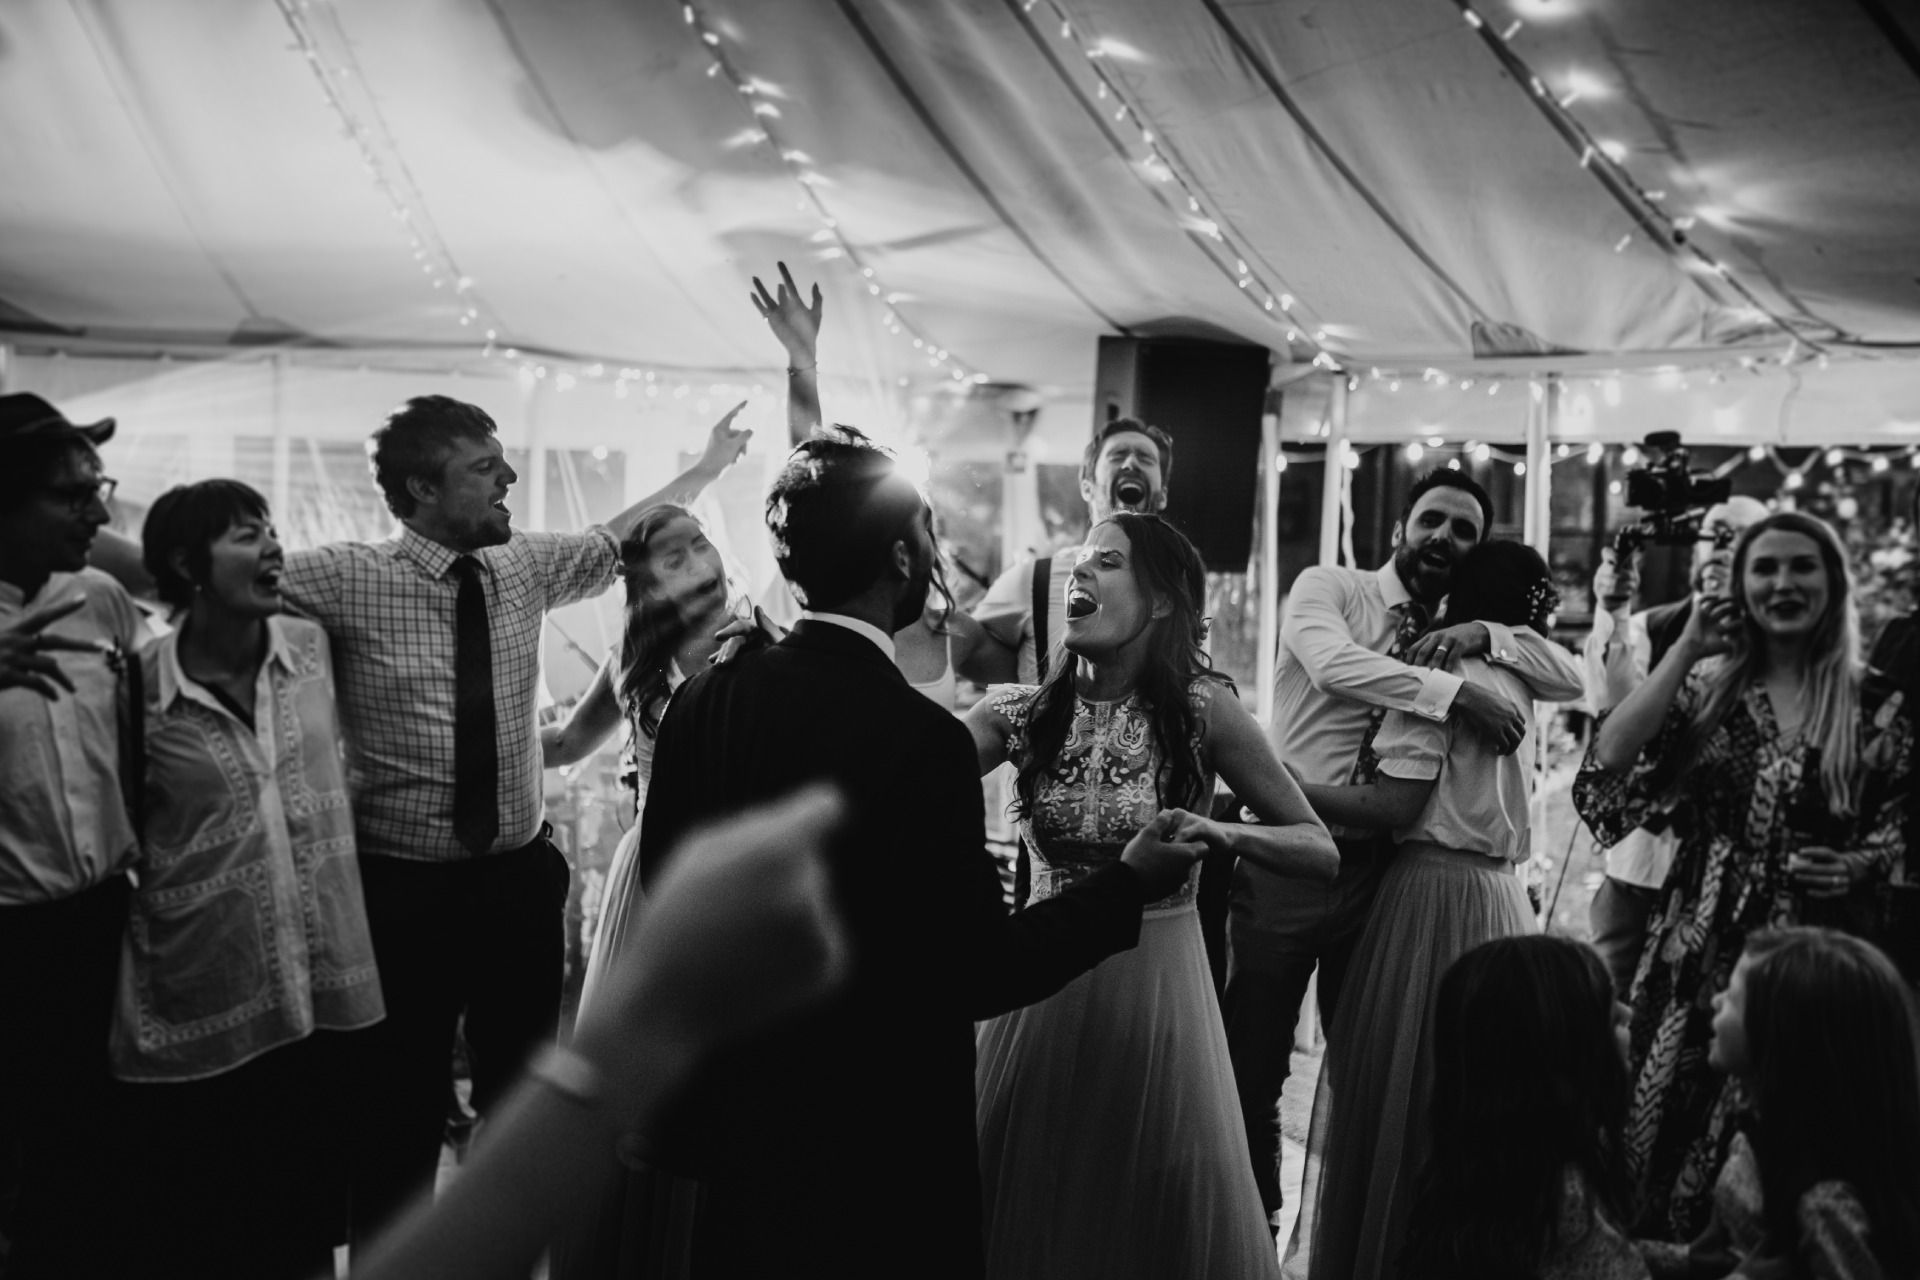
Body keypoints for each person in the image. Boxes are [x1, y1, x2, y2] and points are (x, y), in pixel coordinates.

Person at [628, 428, 1208, 1278]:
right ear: (902, 559)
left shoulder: (705, 700)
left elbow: (664, 904)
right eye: (929, 538)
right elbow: (980, 971)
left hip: (742, 1134)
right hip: (879, 1149)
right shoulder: (916, 740)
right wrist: (1126, 885)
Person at [277, 392, 751, 1247]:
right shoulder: (349, 576)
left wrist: (709, 468)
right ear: (423, 488)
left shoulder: (525, 565)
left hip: (517, 882)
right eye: (485, 469)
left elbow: (621, 538)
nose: (510, 477)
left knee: (525, 1102)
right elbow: (216, 571)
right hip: (400, 891)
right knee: (398, 1107)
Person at [966, 511, 1337, 1279]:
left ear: (1162, 601)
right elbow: (902, 764)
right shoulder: (1020, 713)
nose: (1080, 574)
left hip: (1158, 993)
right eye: (1079, 563)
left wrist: (1224, 834)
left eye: (1106, 562)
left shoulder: (1202, 710)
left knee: (1143, 1215)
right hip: (1040, 992)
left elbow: (1317, 848)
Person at [1226, 470, 1586, 1231]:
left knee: (1373, 1071)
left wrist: (1484, 635)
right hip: (1290, 857)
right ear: (1399, 527)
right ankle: (1247, 1229)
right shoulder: (1332, 587)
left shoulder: (1464, 639)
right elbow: (1333, 666)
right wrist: (1453, 691)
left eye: (1463, 531)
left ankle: (1364, 1229)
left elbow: (1572, 677)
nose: (1444, 539)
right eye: (1433, 520)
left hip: (1382, 876)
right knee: (1253, 1067)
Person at [353, 786, 854, 1280]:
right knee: (395, 1125)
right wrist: (649, 1014)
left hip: (520, 863)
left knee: (504, 1087)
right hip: (395, 873)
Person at [1574, 512, 1913, 1240]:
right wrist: (1688, 647)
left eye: (1801, 567)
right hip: (1692, 953)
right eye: (1765, 568)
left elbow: (1901, 833)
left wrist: (1857, 862)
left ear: (1833, 584)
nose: (1782, 583)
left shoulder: (1880, 704)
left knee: (1796, 1161)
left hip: (1812, 966)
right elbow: (1606, 776)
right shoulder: (1705, 690)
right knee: (1662, 1144)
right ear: (1741, 587)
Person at [114, 480, 383, 1279]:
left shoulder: (309, 649)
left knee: (301, 1233)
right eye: (243, 535)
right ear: (185, 565)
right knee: (203, 1228)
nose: (272, 547)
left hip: (318, 991)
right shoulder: (139, 686)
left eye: (270, 530)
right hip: (204, 991)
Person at [1286, 540, 1561, 1280]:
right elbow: (1578, 673)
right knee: (1487, 1103)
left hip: (1433, 896)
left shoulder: (1438, 674)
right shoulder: (1521, 668)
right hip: (1504, 897)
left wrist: (1281, 790)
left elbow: (1395, 804)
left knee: (1409, 1102)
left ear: (1455, 604)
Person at [0, 393, 145, 1279]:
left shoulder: (104, 601)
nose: (98, 510)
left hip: (101, 925)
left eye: (101, 487)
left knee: (90, 1157)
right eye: (71, 494)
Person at [750, 261, 1012, 701]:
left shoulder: (951, 633)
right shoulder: (819, 614)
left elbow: (1035, 676)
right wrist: (801, 362)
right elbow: (812, 475)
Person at [1642, 927, 1920, 1279]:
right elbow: (1718, 1258)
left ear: (1780, 1035)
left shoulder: (1825, 1206)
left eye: (1732, 995)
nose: (1715, 1000)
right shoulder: (1756, 1131)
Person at [1583, 497, 1769, 996]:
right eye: (1712, 535)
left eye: (1736, 539)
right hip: (1640, 868)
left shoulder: (1779, 644)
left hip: (1730, 884)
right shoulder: (1654, 628)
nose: (1719, 551)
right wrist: (1613, 611)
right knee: (1610, 1010)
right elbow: (1612, 722)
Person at [1399, 935, 1644, 1280]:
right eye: (1613, 1017)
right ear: (1563, 1061)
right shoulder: (1566, 1201)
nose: (1630, 1014)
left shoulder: (1478, 1181)